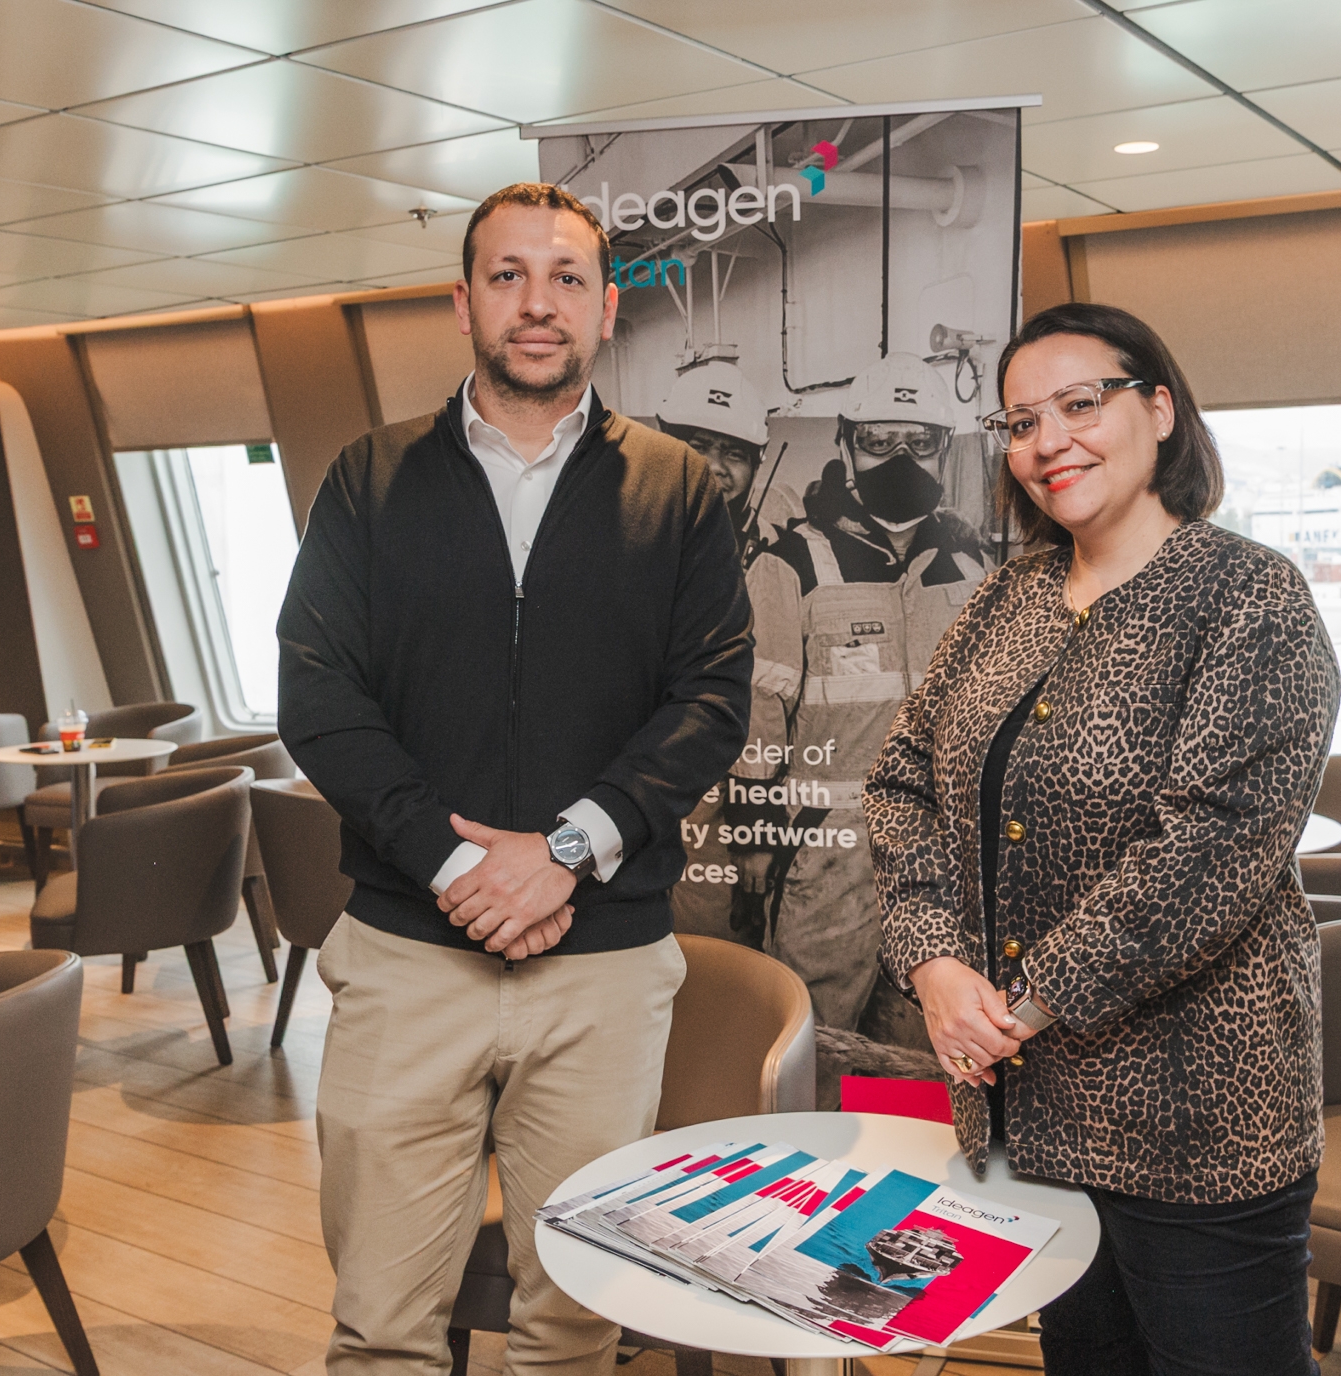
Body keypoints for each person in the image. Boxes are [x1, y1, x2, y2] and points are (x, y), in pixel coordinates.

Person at [278, 182, 752, 1376]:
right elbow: (319, 697)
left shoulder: (680, 489)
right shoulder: (368, 478)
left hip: (604, 967)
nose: (538, 303)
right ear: (463, 303)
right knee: (379, 1327)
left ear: (606, 310)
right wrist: (453, 863)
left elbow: (712, 699)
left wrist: (564, 851)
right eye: (509, 275)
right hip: (407, 955)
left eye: (567, 278)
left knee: (575, 1326)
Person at [866, 301, 1340, 1374]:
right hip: (1028, 1118)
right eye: (1021, 422)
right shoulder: (1007, 599)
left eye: (1081, 404)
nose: (1050, 441)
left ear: (1160, 410)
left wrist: (1019, 1008)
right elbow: (901, 783)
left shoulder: (1249, 596)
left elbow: (1208, 853)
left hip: (1197, 1123)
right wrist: (933, 964)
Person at [727, 351, 987, 1046]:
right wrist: (752, 832)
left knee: (922, 1046)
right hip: (828, 850)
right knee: (816, 1040)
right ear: (846, 444)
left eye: (919, 442)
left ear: (944, 449)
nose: (900, 458)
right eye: (878, 440)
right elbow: (758, 713)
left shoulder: (970, 569)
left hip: (940, 855)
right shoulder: (791, 564)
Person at [655, 357, 801, 562]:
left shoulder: (783, 555)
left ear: (755, 466)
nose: (714, 466)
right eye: (697, 447)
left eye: (734, 454)